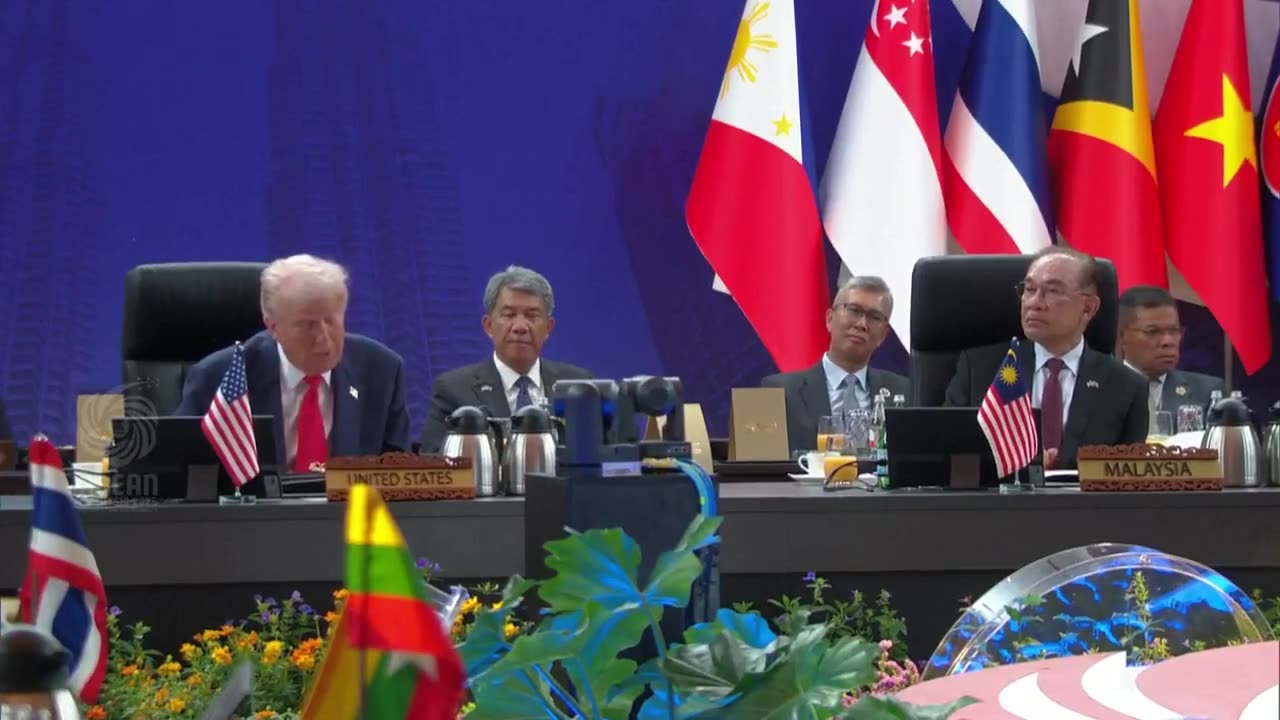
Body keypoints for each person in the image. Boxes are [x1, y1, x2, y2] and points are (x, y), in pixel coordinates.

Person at [175, 255, 410, 471]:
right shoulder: (220, 376)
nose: (323, 338)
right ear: (272, 326)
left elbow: (400, 473)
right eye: (307, 325)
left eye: (330, 320)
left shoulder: (381, 371)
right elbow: (178, 469)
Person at [945, 246, 1147, 469]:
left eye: (1052, 291)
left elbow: (1129, 479)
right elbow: (947, 456)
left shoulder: (1126, 386)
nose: (1035, 303)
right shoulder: (979, 369)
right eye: (1029, 289)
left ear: (1088, 308)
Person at [420, 266, 591, 453]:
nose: (520, 327)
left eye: (532, 316)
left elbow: (605, 457)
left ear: (548, 328)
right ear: (488, 325)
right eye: (509, 315)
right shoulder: (453, 390)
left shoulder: (578, 386)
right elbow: (433, 460)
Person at [762, 276, 910, 456]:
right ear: (829, 319)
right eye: (853, 310)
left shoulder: (905, 392)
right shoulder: (782, 392)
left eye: (875, 317)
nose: (862, 324)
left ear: (884, 336)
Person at [1117, 285, 1223, 416]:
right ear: (1121, 336)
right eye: (1152, 332)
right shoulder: (1098, 390)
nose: (1168, 341)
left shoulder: (1208, 392)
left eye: (1174, 331)